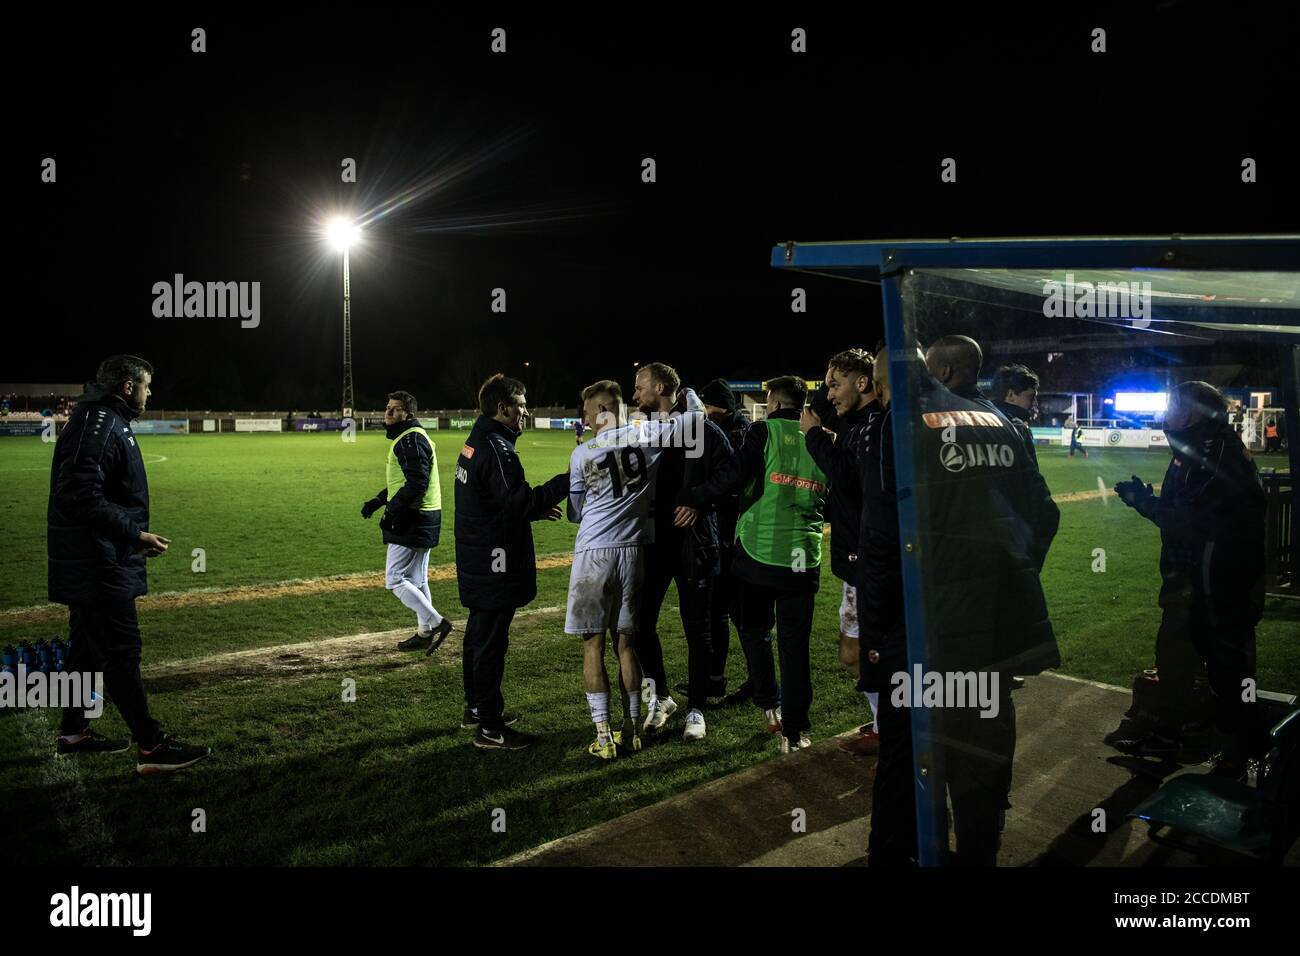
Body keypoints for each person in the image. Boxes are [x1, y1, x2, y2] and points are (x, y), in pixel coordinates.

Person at [860, 345, 1059, 866]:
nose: (880, 399)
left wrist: (879, 636)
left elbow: (882, 539)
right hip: (994, 631)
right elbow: (1043, 514)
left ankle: (897, 858)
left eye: (879, 388)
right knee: (982, 757)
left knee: (907, 755)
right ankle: (978, 856)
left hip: (930, 629)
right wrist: (1011, 577)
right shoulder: (999, 420)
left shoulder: (903, 424)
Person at [47, 355, 209, 774]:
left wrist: (128, 538)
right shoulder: (98, 423)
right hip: (97, 564)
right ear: (126, 386)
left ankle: (73, 733)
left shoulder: (104, 419)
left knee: (85, 650)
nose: (149, 393)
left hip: (100, 557)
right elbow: (78, 494)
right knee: (121, 651)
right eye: (146, 386)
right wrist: (133, 534)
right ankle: (151, 747)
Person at [1112, 381, 1268, 777]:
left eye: (1173, 404)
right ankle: (1197, 736)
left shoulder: (1212, 453)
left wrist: (1143, 503)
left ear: (1194, 412)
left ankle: (1227, 750)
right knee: (1193, 661)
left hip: (1212, 583)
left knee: (1216, 665)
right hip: (1202, 578)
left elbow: (1192, 524)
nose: (1166, 410)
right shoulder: (1199, 445)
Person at [682, 376, 828, 753]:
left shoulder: (764, 431)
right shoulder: (822, 436)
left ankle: (770, 707)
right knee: (795, 648)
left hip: (758, 552)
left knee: (754, 629)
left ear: (774, 403)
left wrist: (694, 498)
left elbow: (733, 476)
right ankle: (796, 732)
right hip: (803, 556)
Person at [566, 379, 704, 758]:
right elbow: (694, 422)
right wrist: (689, 393)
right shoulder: (648, 436)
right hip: (635, 554)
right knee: (625, 644)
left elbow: (575, 513)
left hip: (595, 554)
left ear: (595, 415)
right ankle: (630, 730)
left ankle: (603, 736)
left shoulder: (582, 454)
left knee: (592, 645)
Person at [454, 373, 569, 750]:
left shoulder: (476, 441)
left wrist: (530, 511)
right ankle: (489, 727)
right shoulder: (497, 447)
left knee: (477, 636)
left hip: (479, 555)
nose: (525, 411)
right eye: (520, 405)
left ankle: (476, 708)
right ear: (502, 409)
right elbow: (518, 501)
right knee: (490, 642)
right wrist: (569, 480)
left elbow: (495, 501)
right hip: (494, 561)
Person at [630, 362, 732, 739]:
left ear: (659, 387)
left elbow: (732, 471)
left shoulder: (702, 428)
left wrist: (699, 500)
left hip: (694, 545)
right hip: (653, 544)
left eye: (640, 387)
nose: (635, 395)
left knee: (697, 631)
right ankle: (662, 696)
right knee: (640, 625)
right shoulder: (644, 432)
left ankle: (697, 711)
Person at [801, 349, 882, 756]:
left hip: (865, 558)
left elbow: (850, 482)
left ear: (863, 382)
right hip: (859, 555)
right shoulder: (858, 424)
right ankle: (888, 722)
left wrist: (815, 436)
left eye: (836, 384)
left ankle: (891, 727)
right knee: (860, 652)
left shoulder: (871, 425)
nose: (829, 394)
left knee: (856, 653)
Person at [361, 390, 454, 653]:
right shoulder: (411, 436)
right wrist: (379, 501)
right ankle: (425, 632)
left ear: (408, 414)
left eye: (396, 409)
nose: (388, 412)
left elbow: (417, 483)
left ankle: (436, 623)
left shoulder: (409, 439)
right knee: (417, 577)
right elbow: (403, 481)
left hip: (414, 517)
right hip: (426, 515)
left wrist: (391, 513)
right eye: (387, 407)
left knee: (394, 579)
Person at [697, 379, 753, 706]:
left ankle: (756, 682)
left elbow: (729, 484)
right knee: (721, 611)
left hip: (736, 538)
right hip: (727, 536)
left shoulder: (739, 435)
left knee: (736, 613)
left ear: (722, 408)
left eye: (709, 409)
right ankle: (716, 679)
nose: (704, 416)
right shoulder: (732, 430)